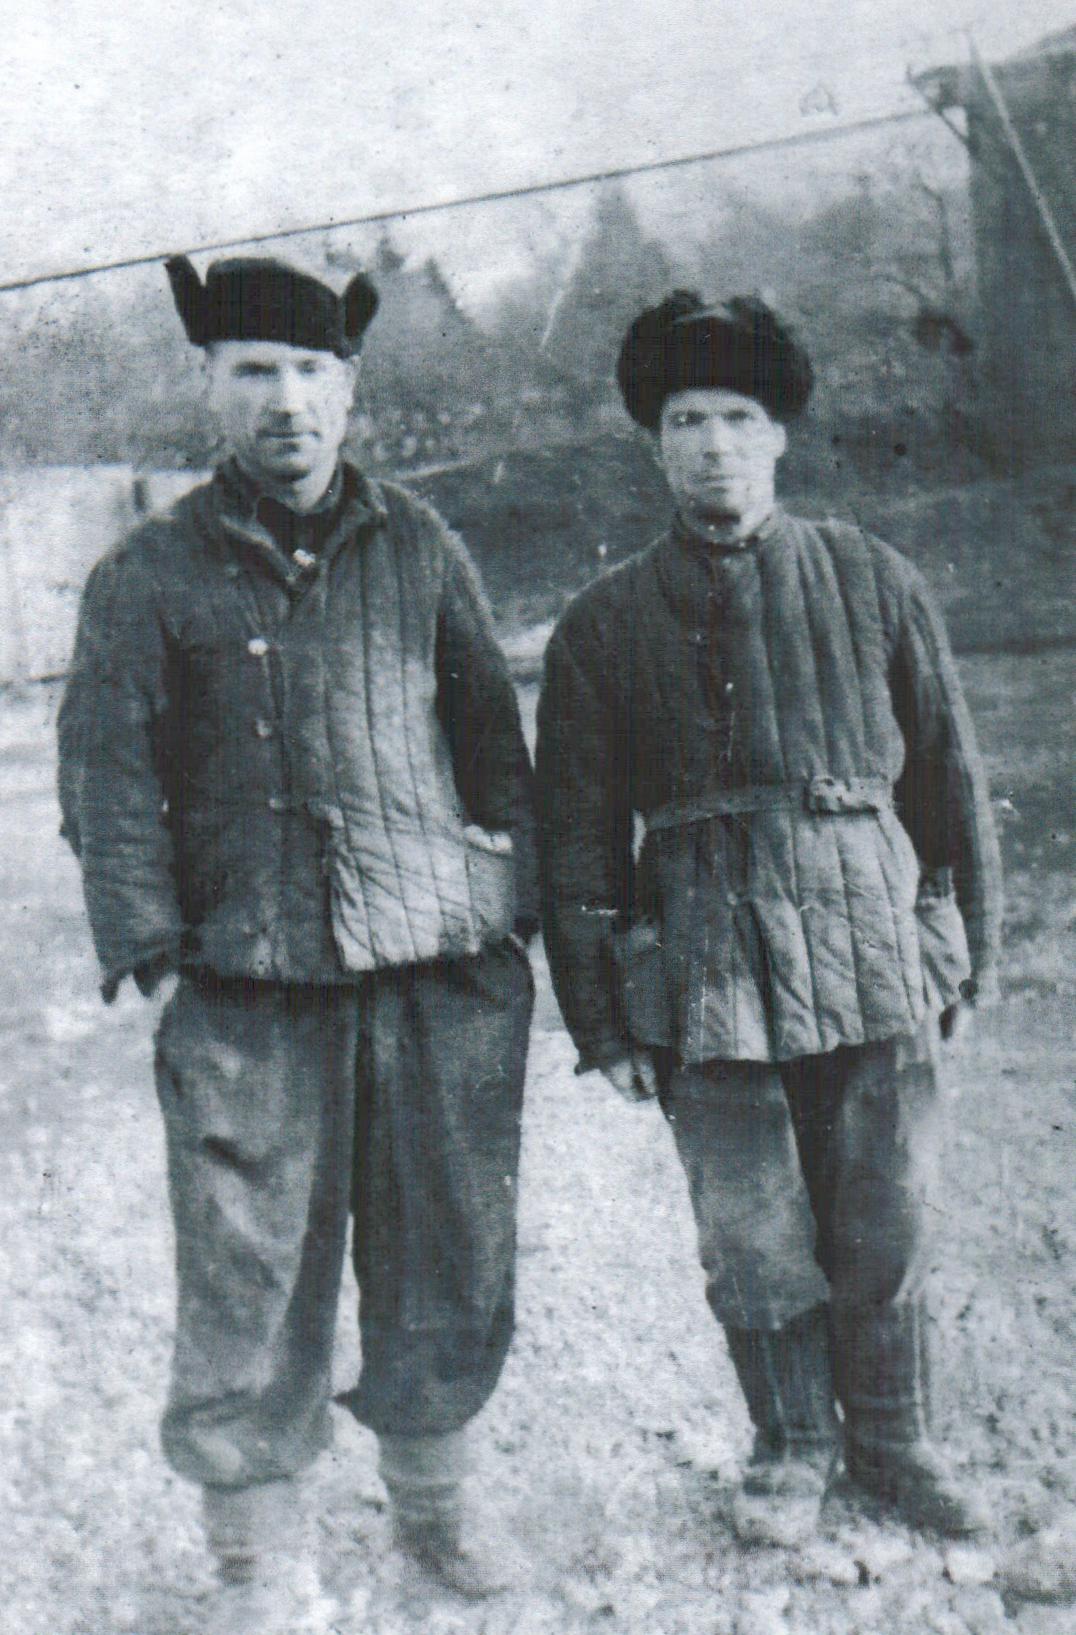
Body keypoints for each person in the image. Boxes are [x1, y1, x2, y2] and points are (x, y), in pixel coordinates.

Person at [58, 254, 537, 1630]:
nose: (286, 401)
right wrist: (155, 942)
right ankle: (260, 1554)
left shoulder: (420, 546)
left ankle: (438, 1500)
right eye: (254, 372)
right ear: (207, 385)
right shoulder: (145, 574)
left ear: (350, 388)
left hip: (433, 972)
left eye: (311, 372)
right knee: (247, 1269)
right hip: (248, 985)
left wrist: (506, 903)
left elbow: (495, 748)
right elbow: (106, 778)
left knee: (447, 1246)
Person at [535, 291, 1003, 1548]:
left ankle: (894, 1441)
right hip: (705, 960)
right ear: (653, 443)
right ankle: (791, 1446)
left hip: (869, 942)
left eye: (738, 418)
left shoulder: (871, 578)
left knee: (886, 1205)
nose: (714, 446)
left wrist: (966, 953)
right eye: (686, 420)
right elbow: (575, 841)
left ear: (780, 433)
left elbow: (946, 780)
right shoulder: (598, 628)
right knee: (748, 1227)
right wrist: (601, 1019)